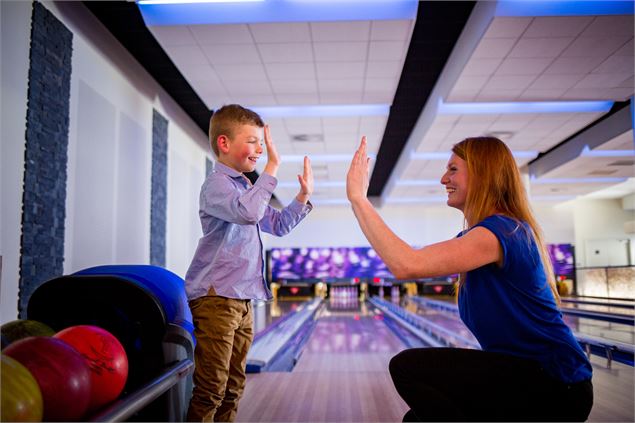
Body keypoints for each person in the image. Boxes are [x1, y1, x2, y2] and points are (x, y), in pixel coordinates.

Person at [346, 136, 593, 422]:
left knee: (408, 367)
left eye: (453, 169)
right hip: (524, 375)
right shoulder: (479, 237)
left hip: (556, 383)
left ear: (483, 174)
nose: (443, 179)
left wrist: (358, 200)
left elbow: (406, 265)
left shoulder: (503, 231)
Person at [185, 104, 314, 422]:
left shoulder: (246, 188)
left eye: (262, 142)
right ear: (224, 144)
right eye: (254, 141)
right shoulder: (217, 185)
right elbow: (248, 213)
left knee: (233, 388)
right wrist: (271, 166)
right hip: (216, 299)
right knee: (211, 390)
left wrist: (301, 198)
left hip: (242, 300)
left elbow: (279, 225)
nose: (260, 148)